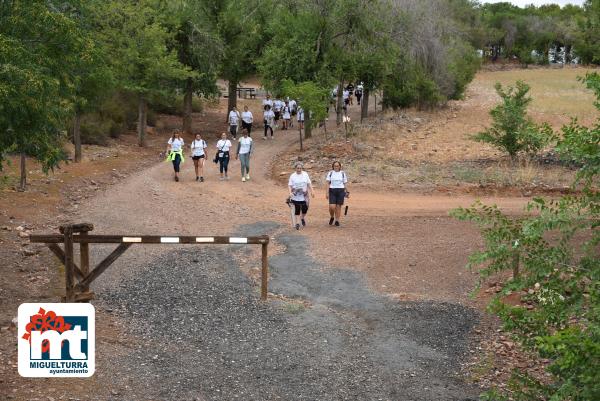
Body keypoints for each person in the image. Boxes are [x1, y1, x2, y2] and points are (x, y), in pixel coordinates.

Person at [288, 162, 314, 230]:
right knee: (297, 209)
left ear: (302, 168)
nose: (299, 169)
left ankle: (302, 218)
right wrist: (290, 192)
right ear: (295, 168)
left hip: (304, 195)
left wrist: (312, 191)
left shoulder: (305, 174)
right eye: (297, 168)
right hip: (296, 195)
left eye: (300, 168)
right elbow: (289, 185)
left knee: (305, 208)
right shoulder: (292, 176)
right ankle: (297, 223)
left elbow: (309, 183)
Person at [325, 161, 349, 226]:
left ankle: (337, 220)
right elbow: (327, 183)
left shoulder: (343, 173)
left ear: (340, 166)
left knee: (338, 206)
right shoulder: (330, 173)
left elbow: (345, 183)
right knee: (332, 206)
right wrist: (327, 193)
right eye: (335, 166)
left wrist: (347, 191)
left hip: (341, 190)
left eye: (337, 166)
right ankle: (332, 217)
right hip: (332, 190)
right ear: (333, 166)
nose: (336, 167)